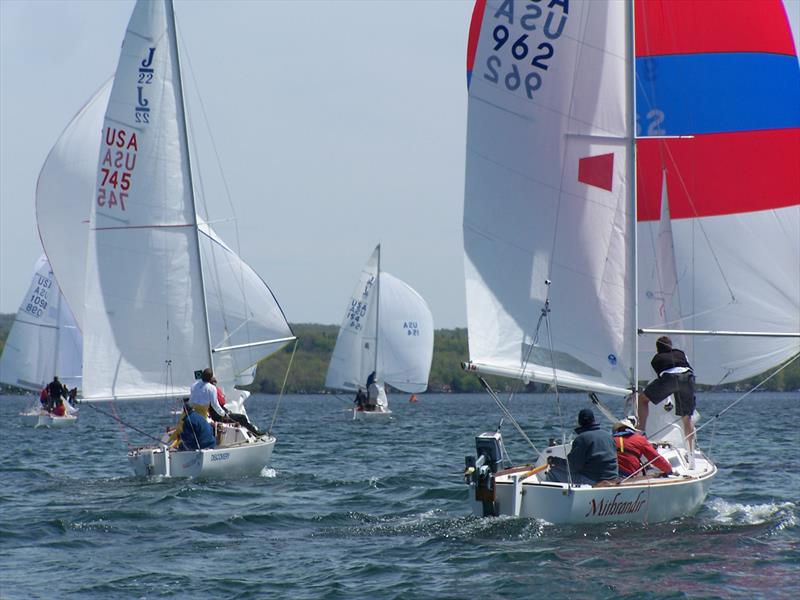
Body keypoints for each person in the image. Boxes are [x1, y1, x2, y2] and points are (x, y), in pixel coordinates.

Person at [637, 336, 697, 452]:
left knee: (642, 399)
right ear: (671, 346)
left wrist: (667, 401)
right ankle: (691, 451)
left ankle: (641, 432)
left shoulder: (656, 359)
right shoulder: (681, 353)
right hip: (688, 378)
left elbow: (658, 381)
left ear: (657, 348)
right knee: (686, 417)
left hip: (670, 378)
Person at [546, 408, 618, 485]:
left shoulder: (582, 438)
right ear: (593, 420)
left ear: (580, 422)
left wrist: (554, 461)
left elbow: (572, 467)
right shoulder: (608, 436)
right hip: (612, 477)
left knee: (552, 472)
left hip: (593, 480)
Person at [196, 369, 264, 437]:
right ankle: (255, 433)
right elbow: (216, 405)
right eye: (213, 382)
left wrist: (226, 412)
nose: (215, 383)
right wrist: (224, 414)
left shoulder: (201, 388)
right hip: (218, 417)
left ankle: (253, 433)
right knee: (242, 417)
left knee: (239, 417)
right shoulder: (211, 390)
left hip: (216, 414)